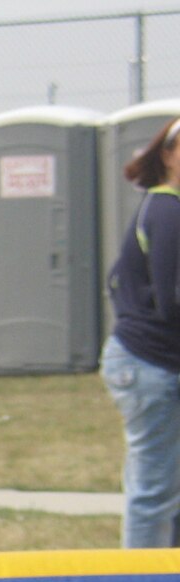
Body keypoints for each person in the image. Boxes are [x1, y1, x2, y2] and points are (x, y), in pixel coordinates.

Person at [103, 114, 180, 549]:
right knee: (154, 493)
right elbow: (172, 300)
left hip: (154, 361)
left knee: (167, 488)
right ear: (168, 156)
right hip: (150, 365)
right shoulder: (167, 210)